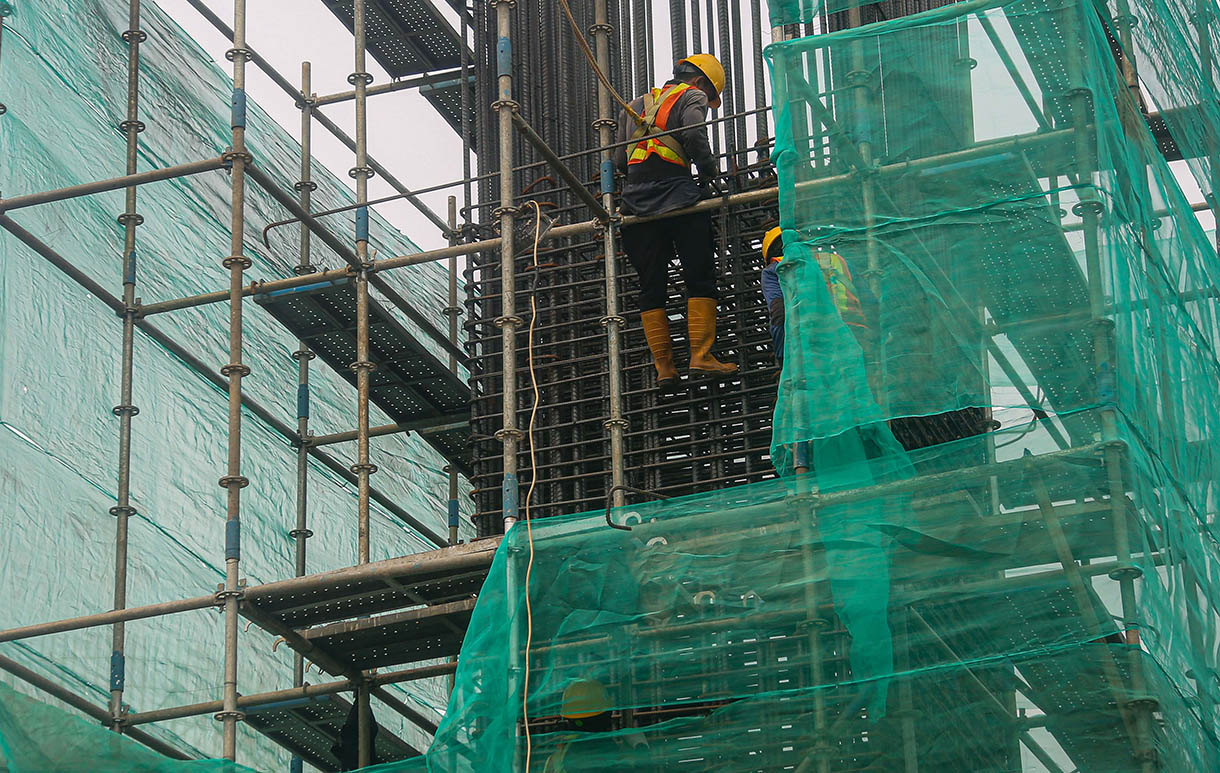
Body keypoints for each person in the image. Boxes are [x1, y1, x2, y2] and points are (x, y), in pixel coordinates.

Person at [614, 54, 737, 389]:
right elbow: (695, 136)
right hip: (678, 197)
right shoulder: (691, 96)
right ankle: (700, 356)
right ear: (700, 84)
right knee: (699, 275)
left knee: (651, 286)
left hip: (636, 206)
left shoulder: (636, 104)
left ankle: (665, 368)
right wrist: (710, 172)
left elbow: (619, 159)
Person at [759, 226, 867, 366]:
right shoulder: (837, 261)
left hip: (814, 339)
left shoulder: (776, 270)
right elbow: (870, 301)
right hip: (857, 331)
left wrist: (784, 359)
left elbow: (779, 313)